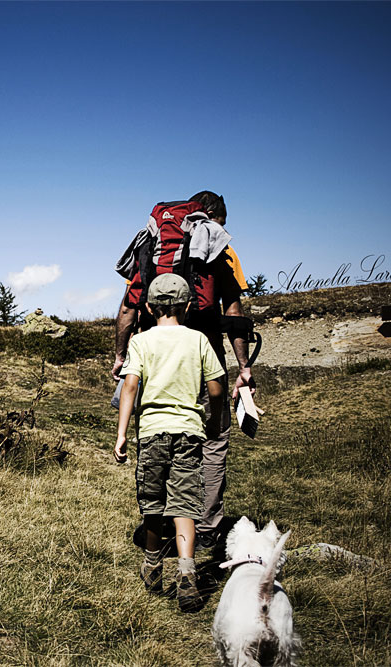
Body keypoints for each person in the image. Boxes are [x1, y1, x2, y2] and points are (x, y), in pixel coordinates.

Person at [112, 191, 253, 554]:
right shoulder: (220, 250)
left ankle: (157, 528)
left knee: (157, 439)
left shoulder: (152, 247)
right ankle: (204, 528)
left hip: (154, 363)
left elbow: (128, 309)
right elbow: (234, 313)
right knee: (212, 442)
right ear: (214, 217)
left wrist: (120, 354)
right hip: (204, 362)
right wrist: (244, 367)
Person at [114, 273, 225, 612]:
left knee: (152, 500)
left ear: (148, 307)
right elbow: (217, 386)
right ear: (189, 305)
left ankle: (152, 564)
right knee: (185, 501)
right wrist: (214, 419)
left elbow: (130, 386)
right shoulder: (198, 340)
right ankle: (188, 572)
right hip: (190, 432)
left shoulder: (141, 342)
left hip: (151, 432)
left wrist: (121, 433)